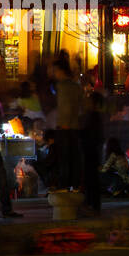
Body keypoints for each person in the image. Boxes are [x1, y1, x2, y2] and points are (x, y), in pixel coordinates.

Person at [51, 57, 83, 190]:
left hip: (66, 127)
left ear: (60, 71)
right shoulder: (75, 86)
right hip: (74, 126)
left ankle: (64, 186)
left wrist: (64, 124)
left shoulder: (64, 87)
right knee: (73, 158)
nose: (54, 74)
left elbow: (66, 107)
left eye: (55, 71)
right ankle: (74, 185)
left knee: (65, 159)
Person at [80, 90, 104, 215]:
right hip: (93, 151)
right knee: (91, 179)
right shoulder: (94, 116)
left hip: (91, 151)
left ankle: (92, 205)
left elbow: (92, 135)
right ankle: (92, 205)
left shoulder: (93, 117)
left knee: (91, 179)